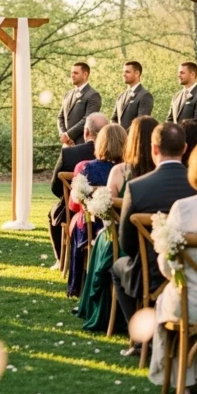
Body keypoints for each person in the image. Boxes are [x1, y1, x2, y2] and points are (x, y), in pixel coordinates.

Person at [111, 123, 197, 355]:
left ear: (154, 149)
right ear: (185, 148)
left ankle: (141, 341)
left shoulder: (138, 187)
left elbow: (127, 244)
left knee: (118, 268)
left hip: (151, 276)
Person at [77, 116, 157, 332]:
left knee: (105, 238)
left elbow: (108, 215)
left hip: (123, 243)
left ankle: (109, 314)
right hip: (157, 243)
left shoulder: (120, 172)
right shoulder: (161, 176)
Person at [149, 137, 197, 394]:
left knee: (167, 297)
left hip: (188, 307)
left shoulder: (183, 208)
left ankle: (181, 380)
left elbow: (167, 265)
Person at [67, 123, 127, 298]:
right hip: (122, 227)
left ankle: (76, 285)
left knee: (79, 223)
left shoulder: (89, 168)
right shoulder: (127, 170)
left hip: (93, 227)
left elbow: (74, 204)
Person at [48, 112, 109, 264]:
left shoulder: (69, 154)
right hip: (110, 211)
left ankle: (61, 260)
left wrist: (71, 199)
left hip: (74, 209)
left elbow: (55, 187)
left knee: (53, 214)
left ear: (86, 132)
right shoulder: (117, 155)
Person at [57, 62, 102, 145]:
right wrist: (63, 134)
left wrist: (69, 135)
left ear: (85, 74)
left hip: (82, 144)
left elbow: (88, 119)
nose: (72, 75)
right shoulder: (68, 94)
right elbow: (60, 117)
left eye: (76, 73)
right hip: (66, 144)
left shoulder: (93, 95)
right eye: (71, 73)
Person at [111, 61, 154, 130]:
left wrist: (124, 136)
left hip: (134, 139)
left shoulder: (145, 95)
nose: (123, 74)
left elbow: (140, 123)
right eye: (123, 72)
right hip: (118, 139)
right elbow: (114, 119)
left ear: (137, 73)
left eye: (127, 72)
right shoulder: (121, 96)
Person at [166, 62, 197, 127]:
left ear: (192, 74)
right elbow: (169, 120)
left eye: (182, 73)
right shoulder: (176, 96)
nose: (178, 75)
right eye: (178, 72)